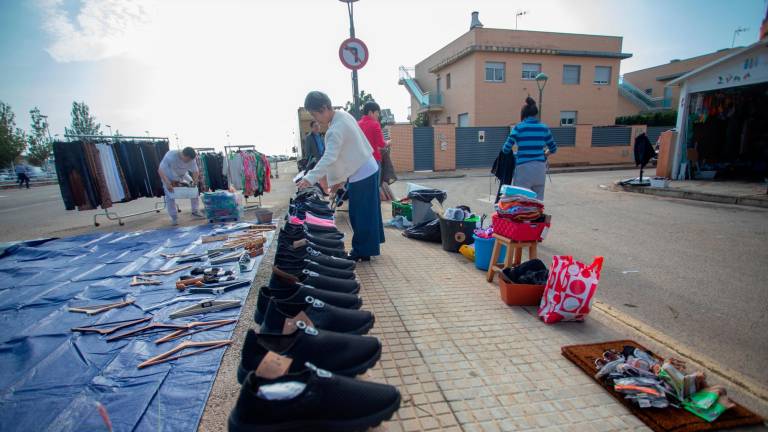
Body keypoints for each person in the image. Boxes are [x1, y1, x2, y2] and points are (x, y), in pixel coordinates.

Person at [297, 91, 384, 262]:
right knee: (370, 211)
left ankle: (362, 251)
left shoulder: (335, 129)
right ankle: (372, 244)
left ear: (324, 108)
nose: (316, 119)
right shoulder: (343, 115)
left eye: (315, 114)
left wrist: (309, 178)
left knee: (360, 214)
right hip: (368, 167)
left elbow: (329, 157)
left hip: (362, 173)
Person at [502, 97, 557, 199]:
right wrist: (545, 153)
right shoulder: (544, 128)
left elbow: (506, 149)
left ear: (524, 115)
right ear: (536, 114)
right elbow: (553, 148)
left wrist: (516, 154)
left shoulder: (519, 127)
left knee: (521, 201)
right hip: (540, 168)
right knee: (537, 202)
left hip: (523, 169)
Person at [158, 146, 203, 225]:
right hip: (168, 175)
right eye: (187, 159)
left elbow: (195, 171)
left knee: (194, 189)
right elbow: (160, 170)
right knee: (170, 195)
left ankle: (195, 211)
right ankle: (174, 217)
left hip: (183, 174)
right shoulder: (170, 156)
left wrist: (195, 181)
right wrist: (168, 183)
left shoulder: (192, 159)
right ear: (183, 155)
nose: (188, 161)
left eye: (190, 160)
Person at [357, 101, 387, 168]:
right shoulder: (375, 124)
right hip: (374, 159)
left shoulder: (357, 124)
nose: (378, 115)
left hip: (360, 161)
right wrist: (387, 142)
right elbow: (381, 144)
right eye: (377, 112)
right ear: (370, 112)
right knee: (375, 178)